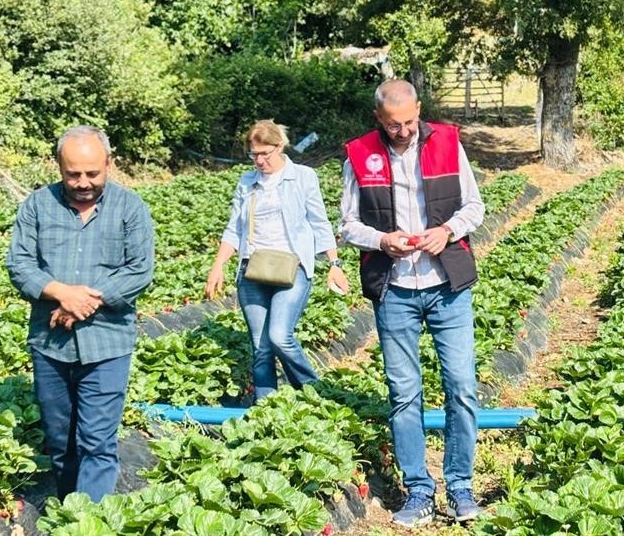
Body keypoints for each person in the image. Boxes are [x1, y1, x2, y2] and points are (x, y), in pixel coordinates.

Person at [340, 80, 486, 526]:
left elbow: (474, 206)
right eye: (392, 125)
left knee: (460, 386)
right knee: (404, 394)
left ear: (419, 109)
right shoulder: (359, 154)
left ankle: (460, 486)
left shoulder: (447, 142)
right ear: (378, 119)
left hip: (447, 286)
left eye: (408, 122)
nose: (403, 131)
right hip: (395, 290)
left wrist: (447, 231)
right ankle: (419, 489)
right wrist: (382, 240)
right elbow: (347, 225)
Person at [6, 125, 155, 502]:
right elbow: (20, 265)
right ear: (58, 166)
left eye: (92, 173)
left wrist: (86, 303)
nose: (83, 182)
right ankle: (69, 507)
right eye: (73, 174)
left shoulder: (130, 207)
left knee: (97, 443)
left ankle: (86, 523)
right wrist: (60, 293)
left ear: (109, 163)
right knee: (60, 441)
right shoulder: (38, 205)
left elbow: (139, 270)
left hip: (107, 343)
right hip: (49, 343)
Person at [204, 120, 350, 400]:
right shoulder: (247, 183)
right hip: (252, 269)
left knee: (279, 336)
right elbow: (234, 228)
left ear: (279, 147)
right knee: (261, 347)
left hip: (292, 268)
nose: (259, 161)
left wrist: (334, 265)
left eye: (265, 154)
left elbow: (320, 223)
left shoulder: (303, 177)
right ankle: (265, 408)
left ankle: (314, 393)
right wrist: (218, 265)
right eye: (253, 155)